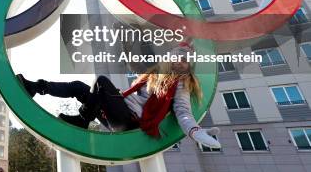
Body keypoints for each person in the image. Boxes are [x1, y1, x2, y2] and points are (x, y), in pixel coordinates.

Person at [17, 45, 220, 148]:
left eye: (184, 61)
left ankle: (82, 119)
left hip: (130, 121)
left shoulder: (181, 84)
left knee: (102, 82)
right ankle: (35, 88)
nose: (179, 63)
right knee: (80, 87)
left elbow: (182, 110)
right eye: (176, 58)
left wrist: (195, 131)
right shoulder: (154, 76)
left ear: (189, 66)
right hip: (117, 114)